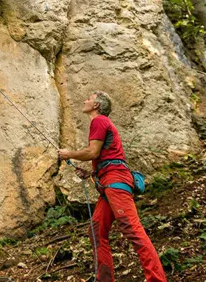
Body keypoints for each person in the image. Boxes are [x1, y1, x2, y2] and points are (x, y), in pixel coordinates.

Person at [58, 92, 167, 282]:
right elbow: (107, 157)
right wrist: (92, 173)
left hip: (116, 183)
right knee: (96, 230)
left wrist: (69, 154)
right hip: (110, 183)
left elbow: (92, 152)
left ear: (97, 105)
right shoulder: (101, 123)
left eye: (89, 99)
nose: (84, 100)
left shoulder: (99, 121)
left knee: (132, 229)